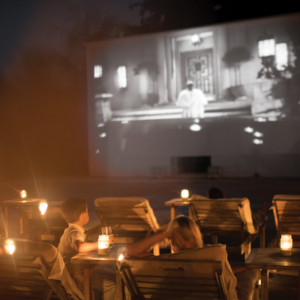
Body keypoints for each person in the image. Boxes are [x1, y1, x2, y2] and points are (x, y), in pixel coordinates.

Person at [126, 215, 260, 300]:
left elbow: (131, 251)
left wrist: (166, 234)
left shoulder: (162, 262)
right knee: (252, 275)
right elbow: (225, 273)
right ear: (196, 235)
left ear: (172, 242)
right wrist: (246, 267)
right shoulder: (211, 257)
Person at [58, 197, 116, 300]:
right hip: (76, 277)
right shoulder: (75, 232)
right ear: (83, 214)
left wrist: (97, 229)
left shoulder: (70, 230)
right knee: (111, 285)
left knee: (113, 275)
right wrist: (101, 243)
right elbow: (79, 247)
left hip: (72, 273)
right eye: (87, 211)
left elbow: (83, 236)